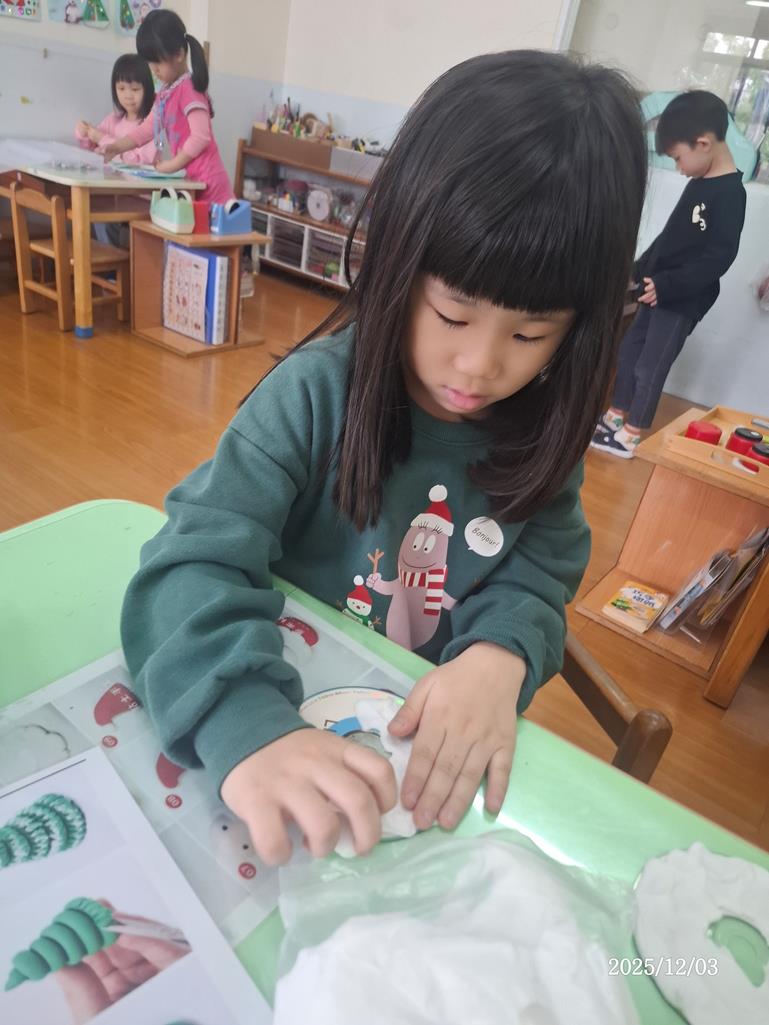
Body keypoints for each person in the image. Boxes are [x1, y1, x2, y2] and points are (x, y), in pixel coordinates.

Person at [121, 51, 647, 866]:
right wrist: (244, 722)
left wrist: (500, 651)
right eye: (452, 314)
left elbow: (536, 572)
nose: (478, 365)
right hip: (280, 706)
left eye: (530, 333)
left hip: (410, 763)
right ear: (397, 260)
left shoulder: (544, 426)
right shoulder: (312, 395)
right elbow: (188, 564)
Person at [592, 90, 747, 458]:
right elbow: (670, 238)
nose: (679, 168)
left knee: (651, 366)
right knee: (629, 353)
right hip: (655, 290)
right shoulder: (698, 183)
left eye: (678, 158)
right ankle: (616, 415)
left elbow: (718, 258)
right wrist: (637, 269)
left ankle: (632, 434)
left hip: (680, 299)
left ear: (703, 143)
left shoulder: (730, 194)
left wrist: (667, 285)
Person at [102, 9, 233, 204]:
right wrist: (117, 147)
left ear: (178, 54)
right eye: (150, 63)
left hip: (209, 183)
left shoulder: (189, 89)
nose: (153, 70)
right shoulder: (166, 92)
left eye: (158, 62)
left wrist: (172, 165)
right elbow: (147, 128)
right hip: (192, 181)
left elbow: (201, 137)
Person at [75, 53, 156, 166]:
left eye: (135, 89)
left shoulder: (150, 127)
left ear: (147, 90)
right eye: (121, 88)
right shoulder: (113, 119)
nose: (128, 96)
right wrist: (84, 133)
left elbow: (140, 161)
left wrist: (102, 139)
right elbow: (92, 148)